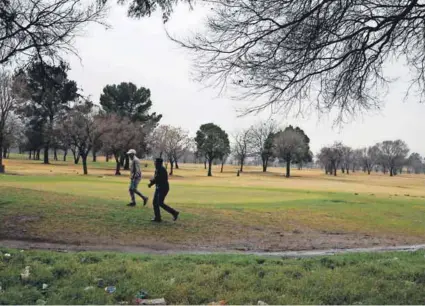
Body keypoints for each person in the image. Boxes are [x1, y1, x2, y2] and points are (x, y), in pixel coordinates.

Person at [148, 158, 179, 222]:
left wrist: (152, 181)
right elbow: (156, 179)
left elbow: (158, 179)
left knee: (160, 203)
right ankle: (158, 218)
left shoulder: (162, 169)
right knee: (155, 202)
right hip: (158, 188)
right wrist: (151, 184)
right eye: (154, 162)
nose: (154, 163)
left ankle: (174, 212)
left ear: (159, 163)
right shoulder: (157, 169)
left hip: (163, 188)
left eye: (155, 162)